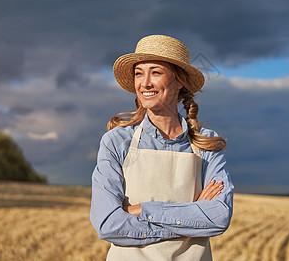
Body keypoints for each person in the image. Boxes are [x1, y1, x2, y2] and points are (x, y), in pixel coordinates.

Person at [90, 35, 234, 260]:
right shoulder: (116, 141)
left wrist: (142, 210)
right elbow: (108, 223)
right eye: (139, 73)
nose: (145, 83)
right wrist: (189, 220)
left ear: (179, 81)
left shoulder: (207, 143)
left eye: (155, 72)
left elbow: (218, 218)